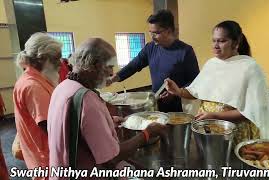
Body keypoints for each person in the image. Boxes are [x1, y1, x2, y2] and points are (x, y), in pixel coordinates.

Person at [47, 38, 166, 177]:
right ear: (95, 65)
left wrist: (107, 122)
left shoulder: (63, 87)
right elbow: (111, 159)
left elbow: (75, 128)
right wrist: (146, 134)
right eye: (109, 67)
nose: (111, 73)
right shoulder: (87, 99)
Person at [165, 20, 269, 144]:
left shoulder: (250, 68)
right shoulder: (211, 64)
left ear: (236, 43)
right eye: (214, 40)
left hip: (234, 133)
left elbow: (252, 111)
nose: (215, 45)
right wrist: (178, 91)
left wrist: (216, 116)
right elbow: (196, 92)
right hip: (207, 129)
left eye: (222, 41)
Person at [108, 9, 200, 112]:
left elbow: (195, 82)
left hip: (180, 107)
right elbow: (134, 65)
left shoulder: (185, 51)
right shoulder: (150, 48)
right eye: (150, 32)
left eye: (156, 33)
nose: (152, 37)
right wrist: (114, 78)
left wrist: (176, 92)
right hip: (157, 103)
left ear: (169, 31)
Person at [13, 33, 62, 175]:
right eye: (56, 59)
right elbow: (50, 127)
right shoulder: (33, 86)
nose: (60, 63)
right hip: (47, 162)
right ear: (42, 58)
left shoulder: (37, 79)